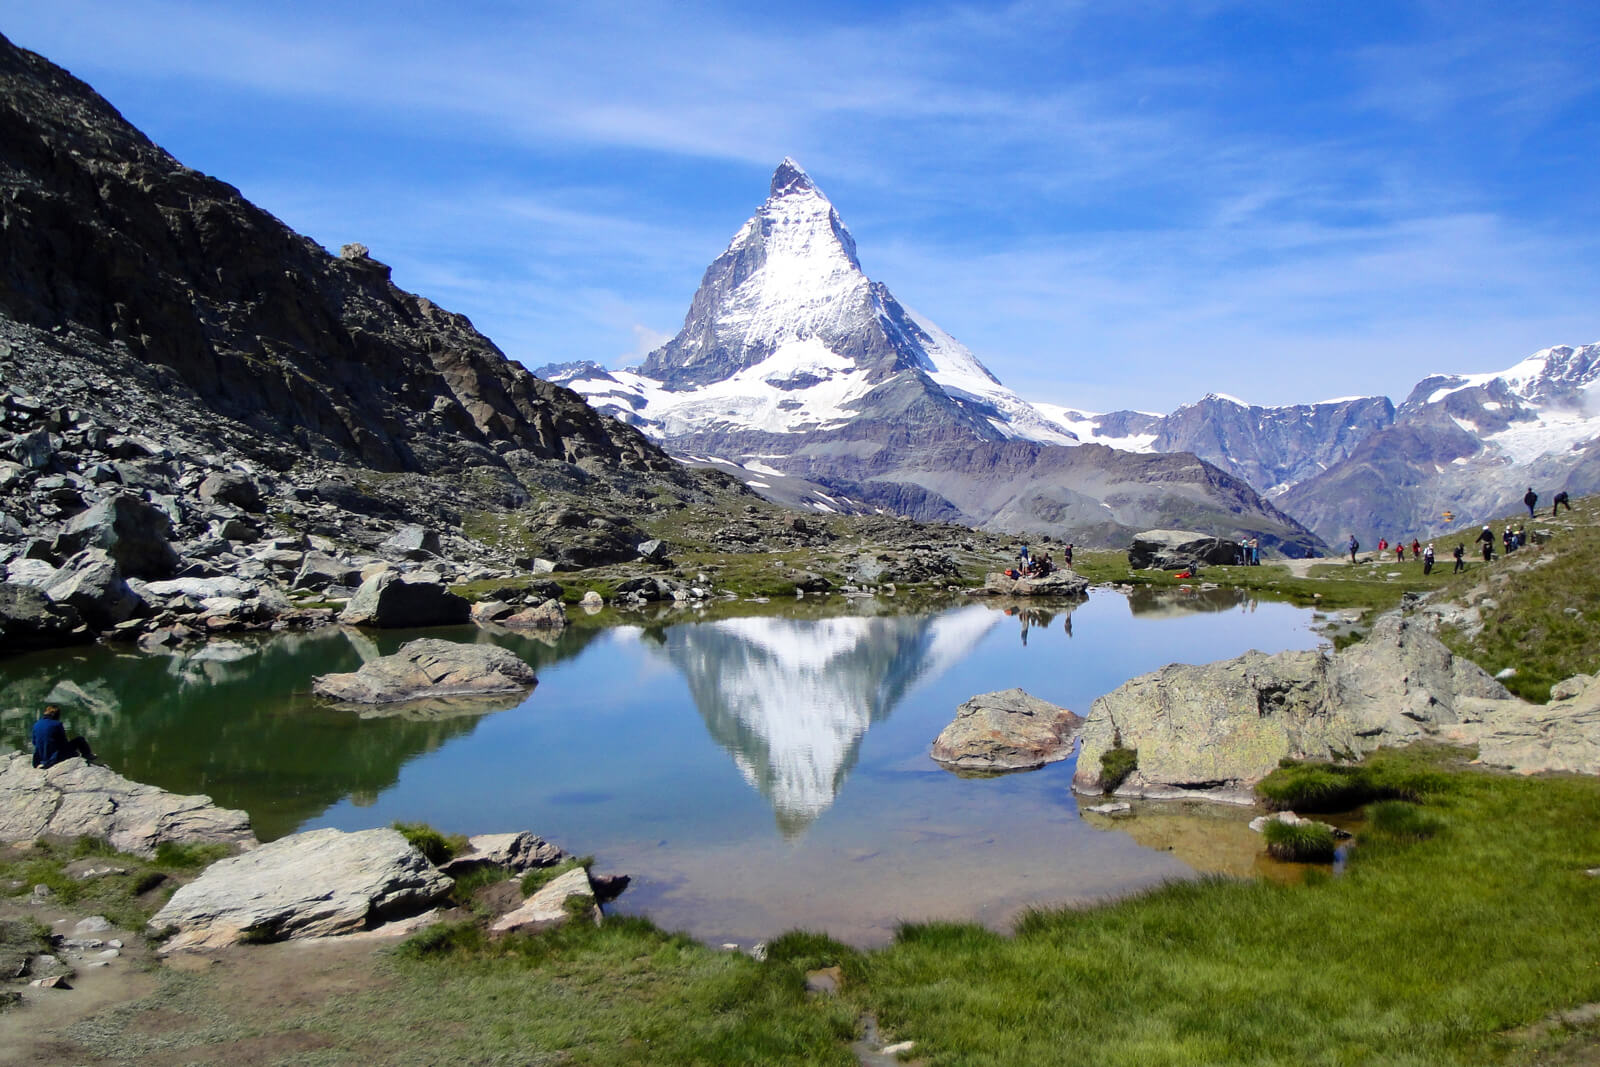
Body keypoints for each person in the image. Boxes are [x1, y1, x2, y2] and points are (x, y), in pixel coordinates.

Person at [31, 705, 95, 769]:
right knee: (80, 739)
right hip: (54, 757)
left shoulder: (36, 724)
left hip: (40, 757)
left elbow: (34, 742)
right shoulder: (57, 724)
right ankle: (87, 755)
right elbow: (63, 742)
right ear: (57, 714)